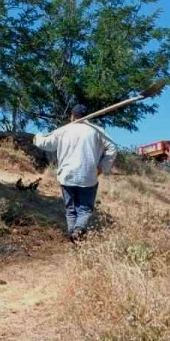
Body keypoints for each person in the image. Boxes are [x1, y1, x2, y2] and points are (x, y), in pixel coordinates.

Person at [33, 104, 117, 242]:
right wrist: (102, 167)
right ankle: (79, 230)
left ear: (72, 116)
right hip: (89, 176)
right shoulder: (97, 131)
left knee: (70, 210)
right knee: (84, 209)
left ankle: (74, 236)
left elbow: (46, 144)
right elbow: (112, 148)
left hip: (67, 175)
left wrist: (37, 137)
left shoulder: (64, 130)